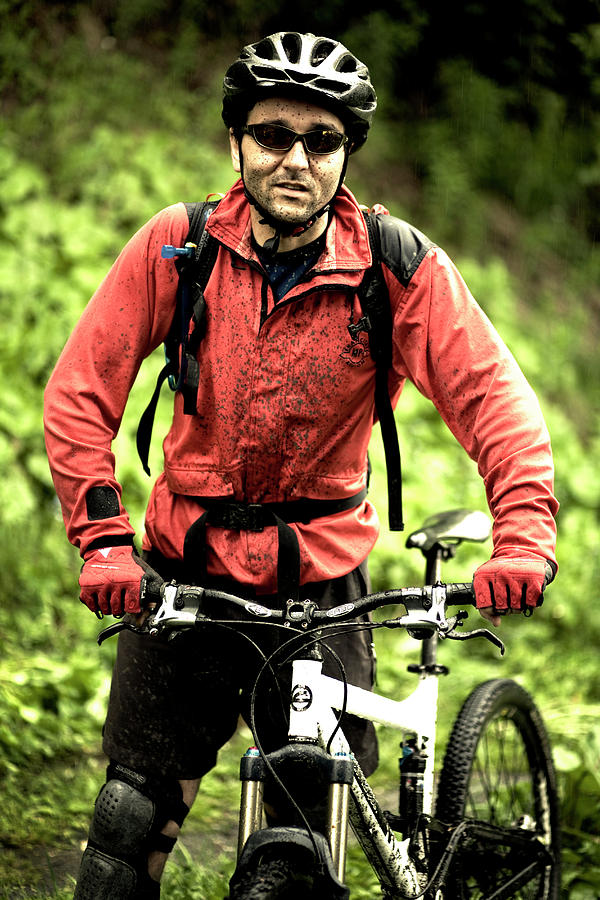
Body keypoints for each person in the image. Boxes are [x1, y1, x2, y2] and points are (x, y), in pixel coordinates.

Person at [43, 31, 558, 899]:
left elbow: (495, 403)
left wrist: (523, 534)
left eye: (321, 141)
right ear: (237, 142)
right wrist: (102, 538)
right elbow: (80, 391)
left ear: (346, 153)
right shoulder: (183, 247)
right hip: (183, 571)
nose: (296, 160)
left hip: (315, 588)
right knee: (126, 823)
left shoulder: (397, 269)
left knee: (297, 845)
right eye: (273, 135)